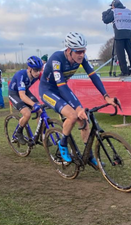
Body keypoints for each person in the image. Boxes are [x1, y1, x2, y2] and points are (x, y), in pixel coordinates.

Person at [39, 32, 118, 167]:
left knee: (84, 120)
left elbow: (93, 76)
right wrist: (78, 107)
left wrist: (106, 96)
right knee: (73, 115)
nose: (81, 54)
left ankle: (88, 156)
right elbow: (61, 86)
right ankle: (62, 143)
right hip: (48, 90)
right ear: (69, 50)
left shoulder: (82, 58)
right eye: (78, 51)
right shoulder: (56, 59)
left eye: (84, 50)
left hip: (62, 88)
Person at [8, 56, 44, 144]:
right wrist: (33, 105)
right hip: (14, 94)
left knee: (40, 110)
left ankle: (41, 135)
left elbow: (47, 84)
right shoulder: (21, 75)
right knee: (27, 113)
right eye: (35, 70)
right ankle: (18, 133)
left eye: (39, 70)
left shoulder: (38, 74)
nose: (38, 73)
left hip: (25, 92)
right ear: (29, 68)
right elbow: (22, 96)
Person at [102, 0, 131, 76]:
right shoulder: (128, 11)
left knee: (121, 55)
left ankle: (124, 72)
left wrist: (106, 12)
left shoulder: (114, 11)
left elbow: (106, 20)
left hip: (119, 35)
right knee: (130, 53)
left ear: (114, 5)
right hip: (128, 35)